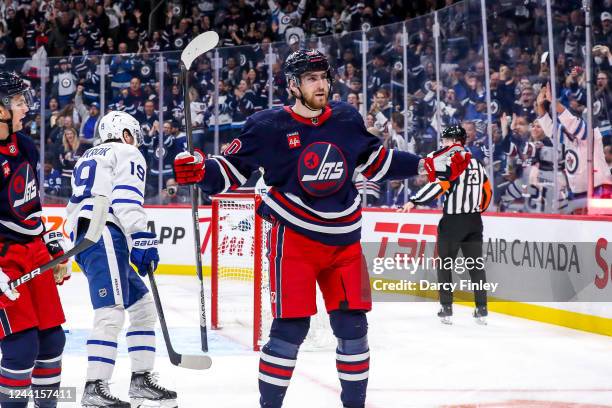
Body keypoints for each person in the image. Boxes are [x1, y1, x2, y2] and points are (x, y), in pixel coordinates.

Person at [174, 49, 470, 408]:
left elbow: (377, 163)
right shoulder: (267, 126)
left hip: (345, 243)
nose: (321, 84)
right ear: (294, 86)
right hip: (293, 242)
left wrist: (425, 164)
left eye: (324, 77)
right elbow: (230, 171)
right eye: (312, 78)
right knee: (290, 330)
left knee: (354, 329)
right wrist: (200, 169)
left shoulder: (346, 118)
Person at [66, 111, 176, 407]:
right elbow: (126, 199)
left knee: (142, 308)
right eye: (134, 134)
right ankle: (94, 387)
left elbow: (74, 207)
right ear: (124, 132)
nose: (136, 141)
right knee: (110, 311)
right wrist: (140, 236)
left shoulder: (89, 154)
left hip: (91, 236)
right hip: (104, 234)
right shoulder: (126, 151)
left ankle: (141, 381)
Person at [0, 72, 70, 408]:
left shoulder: (24, 144)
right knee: (21, 346)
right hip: (3, 260)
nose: (25, 107)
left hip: (33, 253)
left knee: (51, 340)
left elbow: (31, 205)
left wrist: (50, 240)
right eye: (17, 102)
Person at [401, 126, 491, 325]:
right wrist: (476, 209)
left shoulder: (452, 161)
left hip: (453, 221)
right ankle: (481, 308)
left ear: (455, 141)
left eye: (446, 140)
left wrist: (414, 201)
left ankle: (447, 308)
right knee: (476, 266)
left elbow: (439, 186)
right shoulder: (477, 163)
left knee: (444, 264)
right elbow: (487, 191)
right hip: (475, 220)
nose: (443, 144)